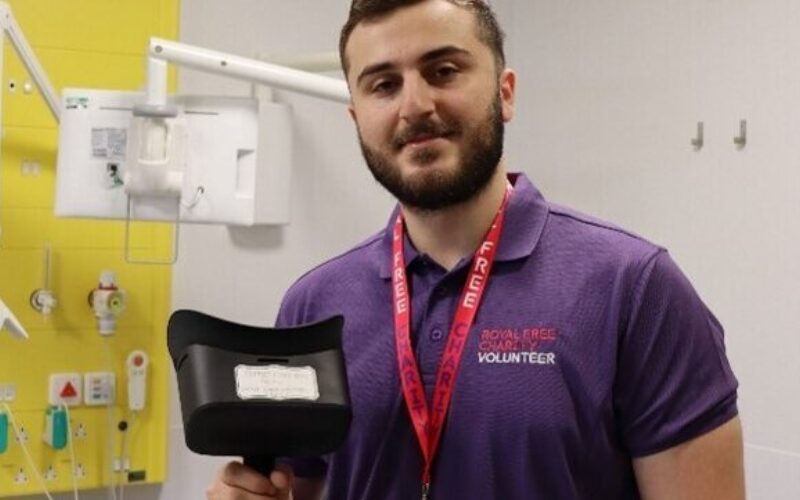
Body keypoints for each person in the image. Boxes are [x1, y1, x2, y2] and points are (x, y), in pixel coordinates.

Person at [207, 1, 744, 498]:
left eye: (443, 71)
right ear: (356, 119)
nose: (414, 105)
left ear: (505, 93)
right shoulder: (315, 303)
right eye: (383, 85)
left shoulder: (633, 289)